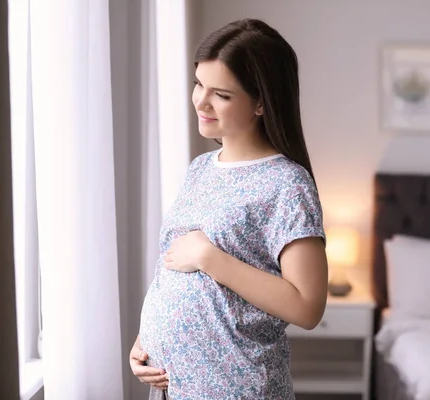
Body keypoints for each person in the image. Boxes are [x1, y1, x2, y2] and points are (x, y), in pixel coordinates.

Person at [129, 18, 328, 400]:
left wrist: (208, 256)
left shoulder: (287, 184)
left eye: (221, 94)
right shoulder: (201, 169)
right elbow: (172, 266)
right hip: (175, 386)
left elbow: (307, 306)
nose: (201, 101)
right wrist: (146, 340)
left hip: (237, 388)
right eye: (199, 84)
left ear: (260, 103)